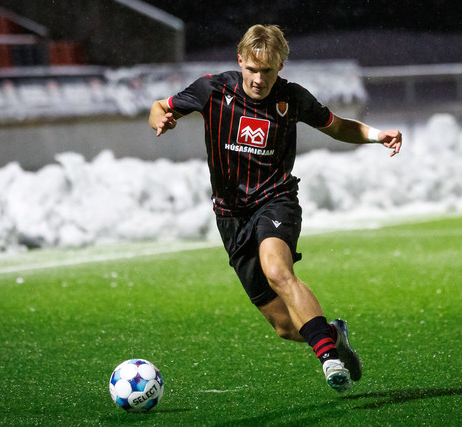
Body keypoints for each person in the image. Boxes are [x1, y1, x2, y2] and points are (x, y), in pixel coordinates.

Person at [149, 24, 402, 393]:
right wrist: (160, 118)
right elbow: (159, 106)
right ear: (240, 61)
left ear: (280, 66)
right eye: (252, 69)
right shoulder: (213, 89)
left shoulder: (292, 98)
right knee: (285, 326)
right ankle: (332, 336)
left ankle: (329, 359)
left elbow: (336, 127)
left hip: (275, 199)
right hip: (230, 216)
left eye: (267, 71)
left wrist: (378, 135)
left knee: (277, 271)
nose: (258, 79)